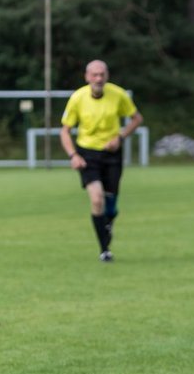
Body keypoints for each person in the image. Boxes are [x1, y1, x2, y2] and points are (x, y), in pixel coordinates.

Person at [59, 60, 144, 262]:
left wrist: (120, 138)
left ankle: (108, 221)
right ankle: (104, 249)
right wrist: (73, 155)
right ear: (87, 77)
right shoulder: (77, 98)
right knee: (97, 199)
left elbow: (137, 119)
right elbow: (65, 131)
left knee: (111, 204)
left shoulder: (119, 95)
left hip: (112, 153)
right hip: (87, 154)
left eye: (102, 74)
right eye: (94, 75)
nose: (98, 78)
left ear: (107, 76)